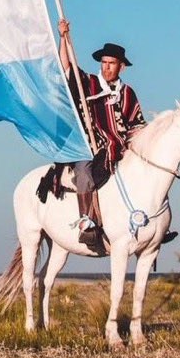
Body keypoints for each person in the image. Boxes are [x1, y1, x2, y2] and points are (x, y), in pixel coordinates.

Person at [58, 18, 145, 251]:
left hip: (120, 150)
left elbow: (137, 125)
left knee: (148, 174)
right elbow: (66, 67)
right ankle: (88, 224)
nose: (106, 67)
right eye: (104, 62)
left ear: (121, 67)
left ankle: (151, 226)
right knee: (84, 172)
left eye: (112, 63)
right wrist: (63, 38)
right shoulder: (89, 83)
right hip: (89, 147)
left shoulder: (128, 93)